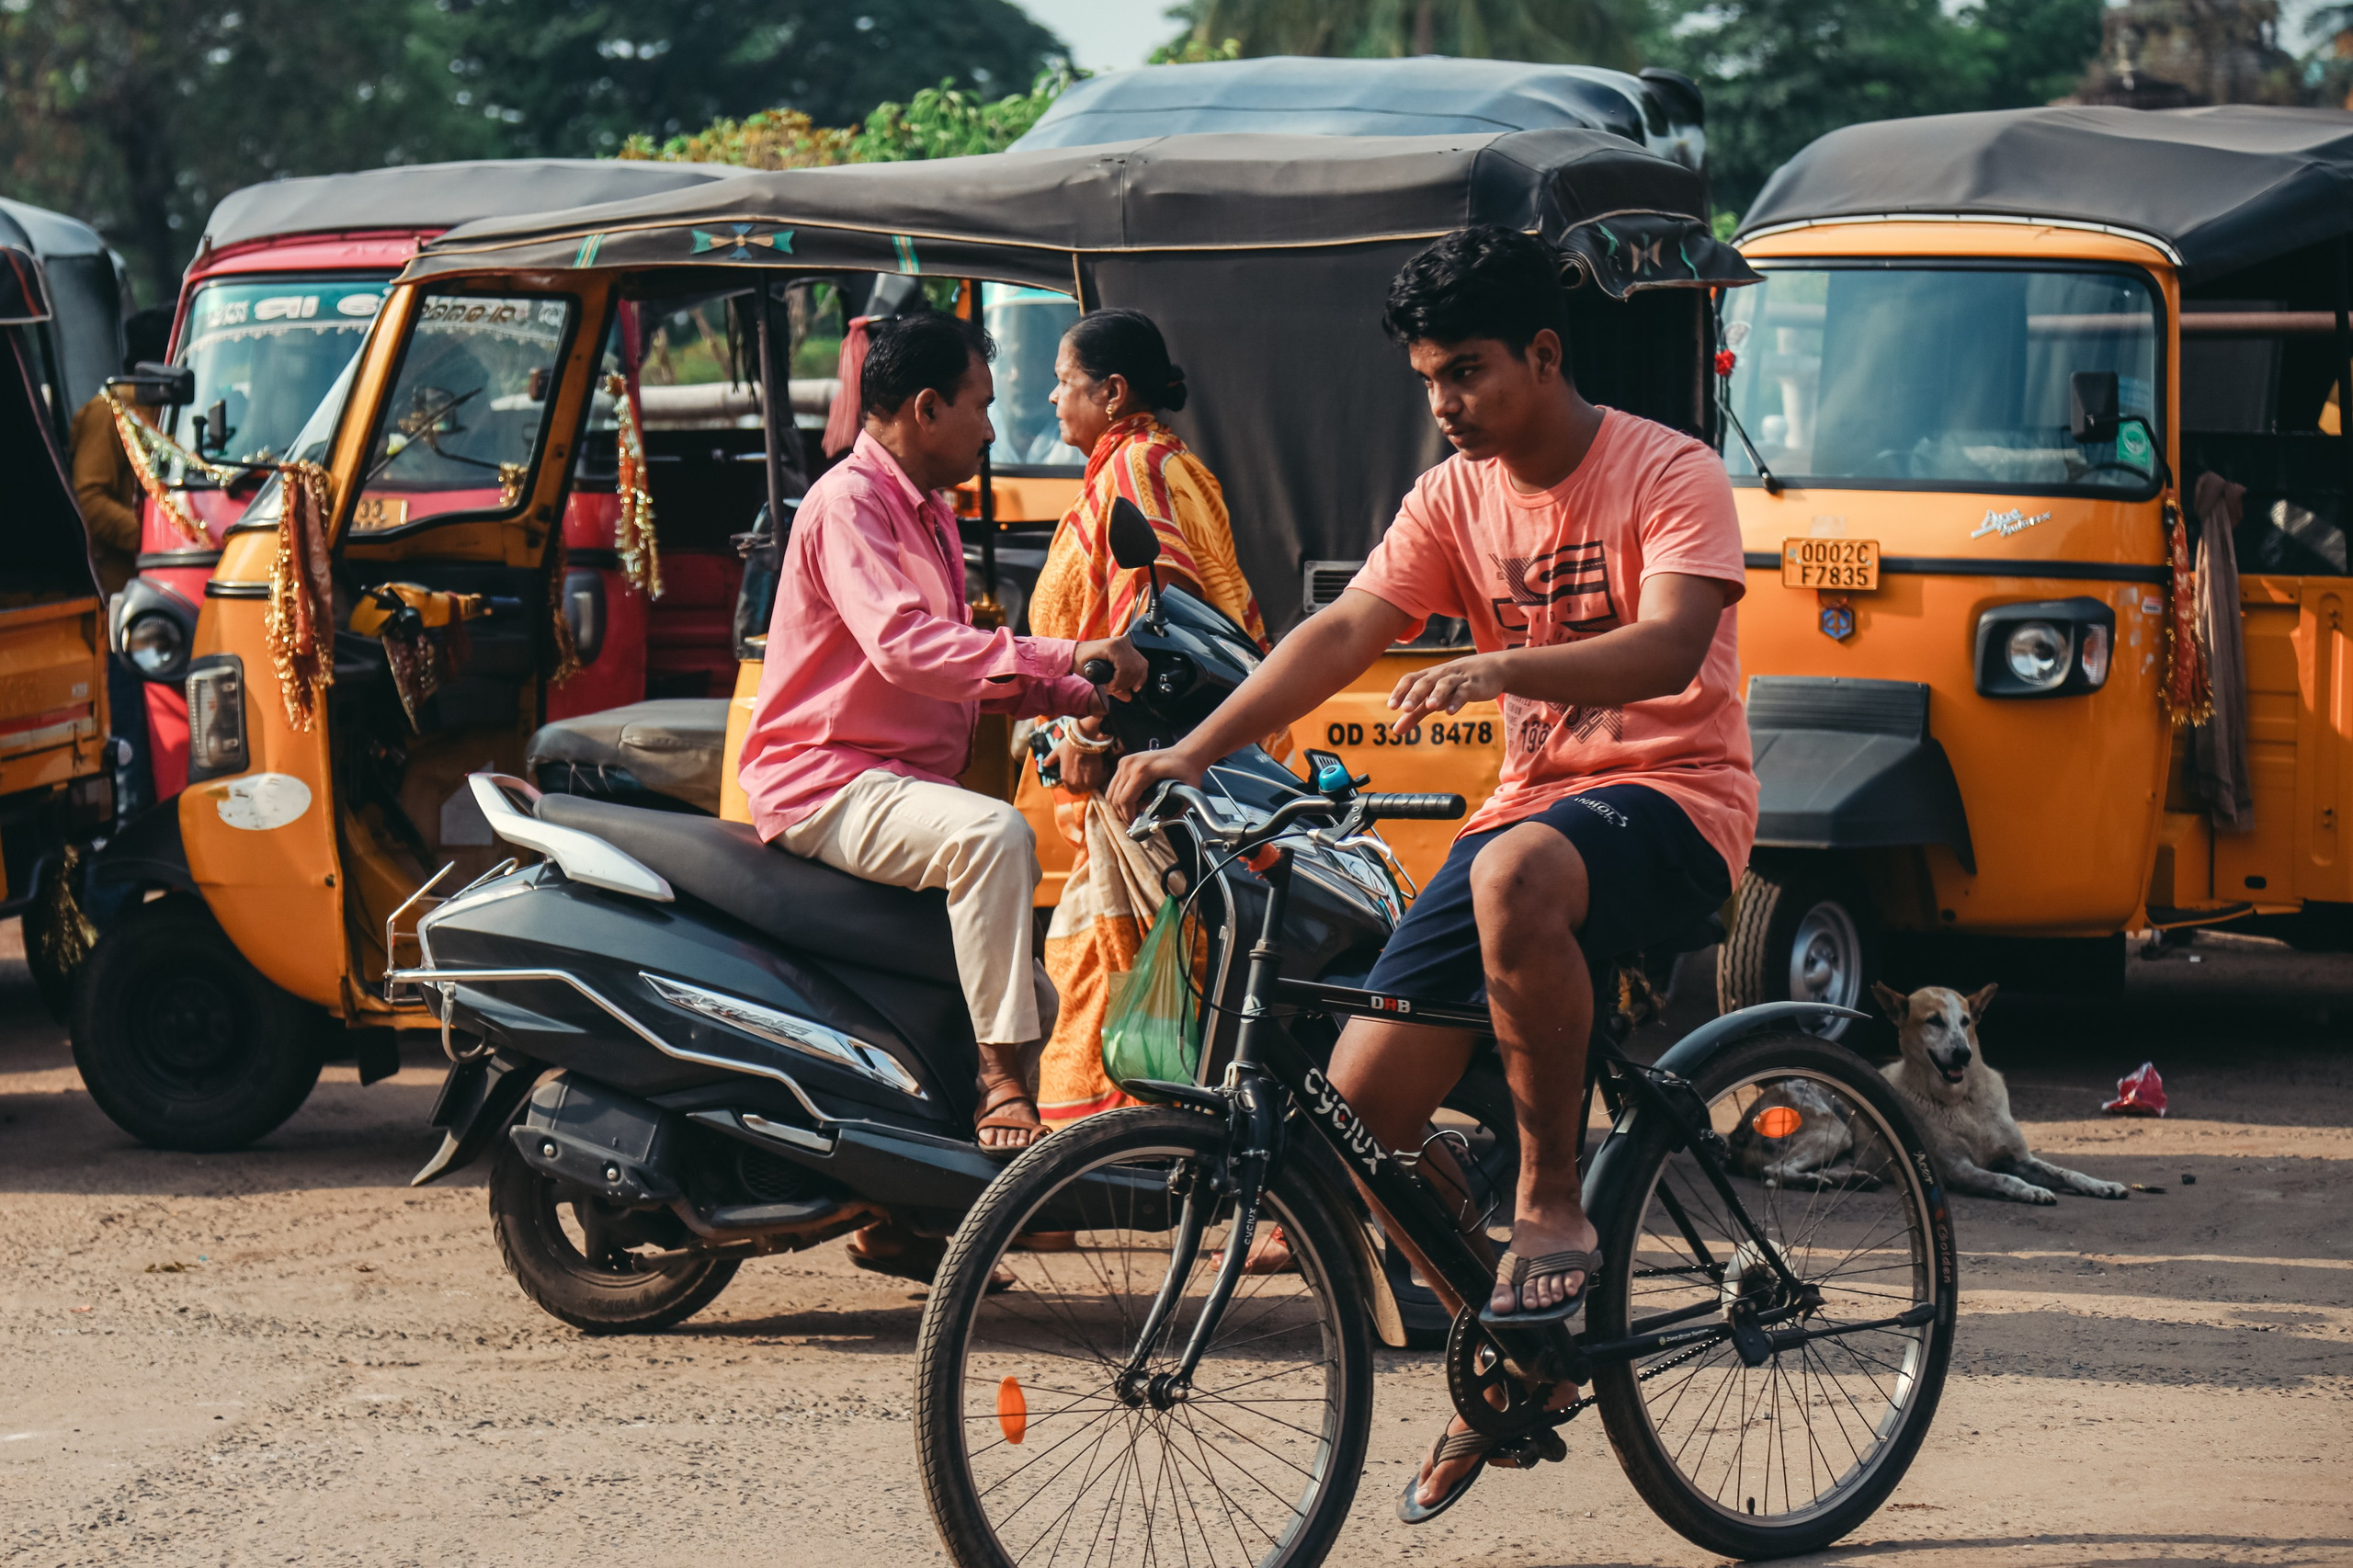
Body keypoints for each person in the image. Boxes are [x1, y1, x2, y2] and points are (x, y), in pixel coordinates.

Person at [1109, 226, 1756, 1512]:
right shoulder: (1455, 494)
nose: (1445, 403)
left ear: (1544, 353)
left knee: (1514, 874)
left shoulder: (1667, 468)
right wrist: (1189, 750)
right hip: (1529, 817)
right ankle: (1521, 1345)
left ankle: (1553, 1205)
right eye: (1427, 381)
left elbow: (1674, 647)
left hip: (1675, 802)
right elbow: (1345, 629)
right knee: (1353, 1128)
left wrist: (1504, 663)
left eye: (1467, 372)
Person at [736, 309, 1143, 1173]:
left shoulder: (927, 512)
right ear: (927, 409)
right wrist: (1068, 656)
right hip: (827, 779)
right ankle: (999, 1083)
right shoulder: (850, 504)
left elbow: (967, 666)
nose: (991, 430)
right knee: (992, 835)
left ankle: (910, 1205)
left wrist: (1088, 692)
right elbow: (909, 648)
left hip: (894, 782)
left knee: (1033, 996)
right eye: (982, 405)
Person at [1029, 309, 1266, 1131]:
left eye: (1064, 381)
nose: (1051, 397)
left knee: (1136, 971)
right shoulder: (1152, 464)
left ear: (1112, 391)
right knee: (1101, 962)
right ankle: (1104, 1158)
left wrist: (1090, 734)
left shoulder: (1136, 470)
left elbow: (1153, 632)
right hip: (1137, 773)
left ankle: (1132, 1152)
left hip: (1142, 771)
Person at [70, 304, 174, 820]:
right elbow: (89, 500)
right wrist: (157, 540)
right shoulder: (110, 412)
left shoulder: (169, 412)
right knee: (134, 739)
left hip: (173, 598)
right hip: (125, 607)